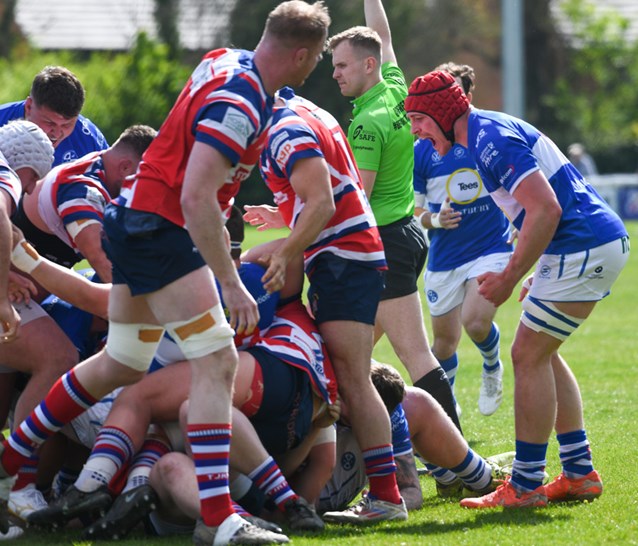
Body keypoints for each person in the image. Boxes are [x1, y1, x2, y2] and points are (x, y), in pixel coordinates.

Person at [0, 2, 331, 545]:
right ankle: (218, 518)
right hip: (163, 229)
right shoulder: (241, 100)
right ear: (302, 54)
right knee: (218, 361)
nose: (315, 66)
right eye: (317, 57)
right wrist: (230, 282)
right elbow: (196, 195)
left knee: (123, 359)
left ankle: (13, 454)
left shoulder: (225, 59)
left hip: (135, 217)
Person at [405, 70, 629, 508]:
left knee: (527, 354)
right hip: (582, 244)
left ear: (444, 113)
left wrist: (509, 276)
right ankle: (579, 473)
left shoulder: (489, 138)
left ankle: (525, 485)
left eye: (419, 119)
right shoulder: (481, 134)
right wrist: (537, 267)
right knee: (543, 353)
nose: (415, 130)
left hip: (582, 244)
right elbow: (541, 210)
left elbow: (546, 208)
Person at [244, 82, 407, 524]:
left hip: (343, 259)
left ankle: (388, 497)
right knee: (352, 379)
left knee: (355, 380)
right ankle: (387, 493)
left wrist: (284, 252)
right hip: (347, 256)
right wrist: (284, 218)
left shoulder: (283, 129)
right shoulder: (306, 111)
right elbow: (329, 192)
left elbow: (323, 204)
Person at [327, 0, 462, 432]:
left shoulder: (366, 124)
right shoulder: (395, 87)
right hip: (407, 234)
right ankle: (357, 448)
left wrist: (291, 219)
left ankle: (456, 458)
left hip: (385, 244)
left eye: (342, 65)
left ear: (368, 65)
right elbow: (382, 36)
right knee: (346, 358)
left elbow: (357, 202)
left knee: (415, 356)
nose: (335, 74)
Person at [413, 62, 513, 416]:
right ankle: (447, 411)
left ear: (467, 96)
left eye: (453, 92)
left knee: (476, 322)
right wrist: (435, 220)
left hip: (491, 247)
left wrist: (522, 218)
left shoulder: (486, 137)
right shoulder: (422, 148)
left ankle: (492, 365)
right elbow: (413, 210)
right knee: (443, 345)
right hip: (444, 257)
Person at [318, 362, 512, 516]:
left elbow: (411, 491)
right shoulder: (323, 381)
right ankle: (478, 476)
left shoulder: (383, 401)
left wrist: (386, 500)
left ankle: (477, 477)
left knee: (414, 401)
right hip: (306, 490)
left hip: (330, 484)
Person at [13, 124, 157, 285]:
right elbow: (101, 261)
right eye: (149, 179)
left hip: (40, 274)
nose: (151, 189)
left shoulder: (102, 163)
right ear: (125, 167)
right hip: (17, 283)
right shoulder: (84, 192)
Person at [0, 119, 54, 542]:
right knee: (58, 357)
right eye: (34, 178)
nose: (33, 189)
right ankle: (18, 482)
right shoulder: (8, 174)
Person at [0, 65, 108, 166]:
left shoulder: (89, 138)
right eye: (50, 123)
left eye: (66, 125)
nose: (56, 134)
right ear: (29, 107)